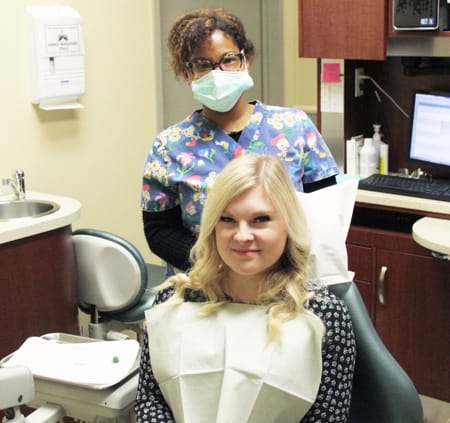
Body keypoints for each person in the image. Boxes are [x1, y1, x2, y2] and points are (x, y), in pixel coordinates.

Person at [135, 153, 356, 423]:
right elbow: (150, 400)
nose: (242, 235)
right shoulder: (174, 301)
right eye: (227, 220)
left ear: (287, 225)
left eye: (260, 219)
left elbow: (326, 418)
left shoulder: (324, 317)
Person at [141, 8, 340, 274]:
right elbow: (159, 230)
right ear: (187, 73)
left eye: (228, 59)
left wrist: (280, 263)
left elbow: (324, 210)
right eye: (202, 64)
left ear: (245, 60)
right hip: (206, 282)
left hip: (285, 278)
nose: (217, 72)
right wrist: (218, 267)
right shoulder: (170, 146)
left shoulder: (294, 128)